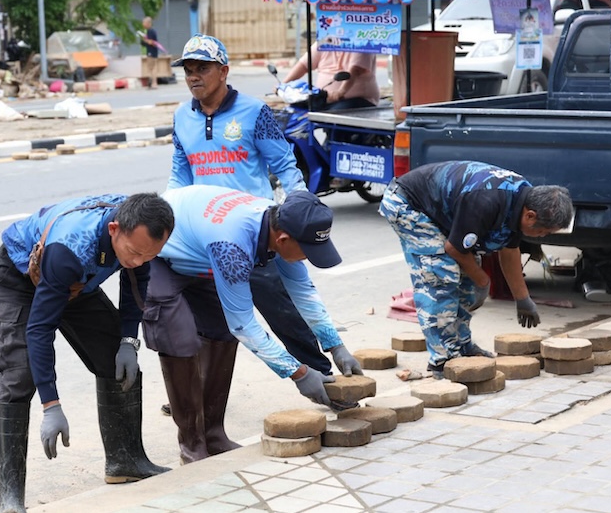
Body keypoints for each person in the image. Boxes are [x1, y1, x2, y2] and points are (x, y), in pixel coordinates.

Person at [143, 185, 363, 464]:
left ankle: (213, 434)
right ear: (283, 239)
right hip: (162, 255)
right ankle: (192, 445)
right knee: (180, 340)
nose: (308, 256)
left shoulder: (280, 223)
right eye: (307, 250)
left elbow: (302, 291)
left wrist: (336, 345)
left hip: (201, 253)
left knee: (221, 333)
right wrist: (298, 373)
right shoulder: (232, 245)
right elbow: (244, 325)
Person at [0, 192, 174, 513]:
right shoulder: (71, 249)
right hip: (19, 280)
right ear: (114, 229)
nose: (140, 261)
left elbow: (135, 284)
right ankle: (10, 496)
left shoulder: (140, 232)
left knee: (114, 356)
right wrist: (51, 405)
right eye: (134, 253)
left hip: (76, 284)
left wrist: (129, 340)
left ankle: (125, 460)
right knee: (19, 375)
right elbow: (39, 329)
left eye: (149, 255)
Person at [168, 34, 335, 380]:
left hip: (255, 232)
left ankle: (323, 375)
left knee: (281, 307)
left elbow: (285, 166)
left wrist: (301, 207)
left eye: (202, 68)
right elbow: (179, 175)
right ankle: (194, 393)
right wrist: (168, 220)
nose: (194, 76)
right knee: (204, 318)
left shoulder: (254, 112)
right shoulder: (182, 117)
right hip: (204, 234)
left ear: (224, 70)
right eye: (188, 70)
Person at [379, 161, 574, 379]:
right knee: (440, 277)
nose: (542, 237)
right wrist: (483, 280)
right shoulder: (487, 200)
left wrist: (522, 298)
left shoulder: (522, 198)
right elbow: (454, 248)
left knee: (467, 279)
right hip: (408, 204)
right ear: (530, 216)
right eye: (543, 231)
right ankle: (443, 360)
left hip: (441, 211)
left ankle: (462, 345)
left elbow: (510, 251)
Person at [282, 41, 380, 110]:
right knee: (294, 111)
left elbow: (354, 71)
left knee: (336, 120)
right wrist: (284, 84)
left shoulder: (361, 43)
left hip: (355, 100)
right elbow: (304, 65)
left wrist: (341, 92)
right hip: (323, 97)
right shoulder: (325, 41)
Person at [141, 17, 159, 89]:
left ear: (148, 23)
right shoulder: (149, 31)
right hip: (152, 51)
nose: (143, 24)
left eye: (144, 22)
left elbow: (152, 42)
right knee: (152, 67)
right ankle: (152, 82)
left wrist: (145, 40)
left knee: (152, 67)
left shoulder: (151, 31)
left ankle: (153, 83)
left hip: (151, 52)